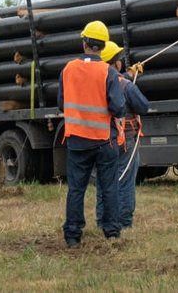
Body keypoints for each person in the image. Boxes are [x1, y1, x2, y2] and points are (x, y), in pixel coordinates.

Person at [57, 20, 126, 248]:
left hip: (77, 141)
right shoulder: (108, 71)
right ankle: (112, 232)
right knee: (109, 187)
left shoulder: (68, 69)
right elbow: (118, 108)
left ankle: (73, 235)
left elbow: (61, 104)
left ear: (84, 42)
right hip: (104, 141)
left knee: (76, 189)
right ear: (104, 45)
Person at [95, 40, 150, 231]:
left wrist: (129, 74)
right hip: (124, 141)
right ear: (116, 63)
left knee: (104, 182)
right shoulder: (126, 86)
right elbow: (143, 106)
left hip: (102, 140)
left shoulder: (95, 83)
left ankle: (102, 221)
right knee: (124, 181)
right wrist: (129, 79)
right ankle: (124, 222)